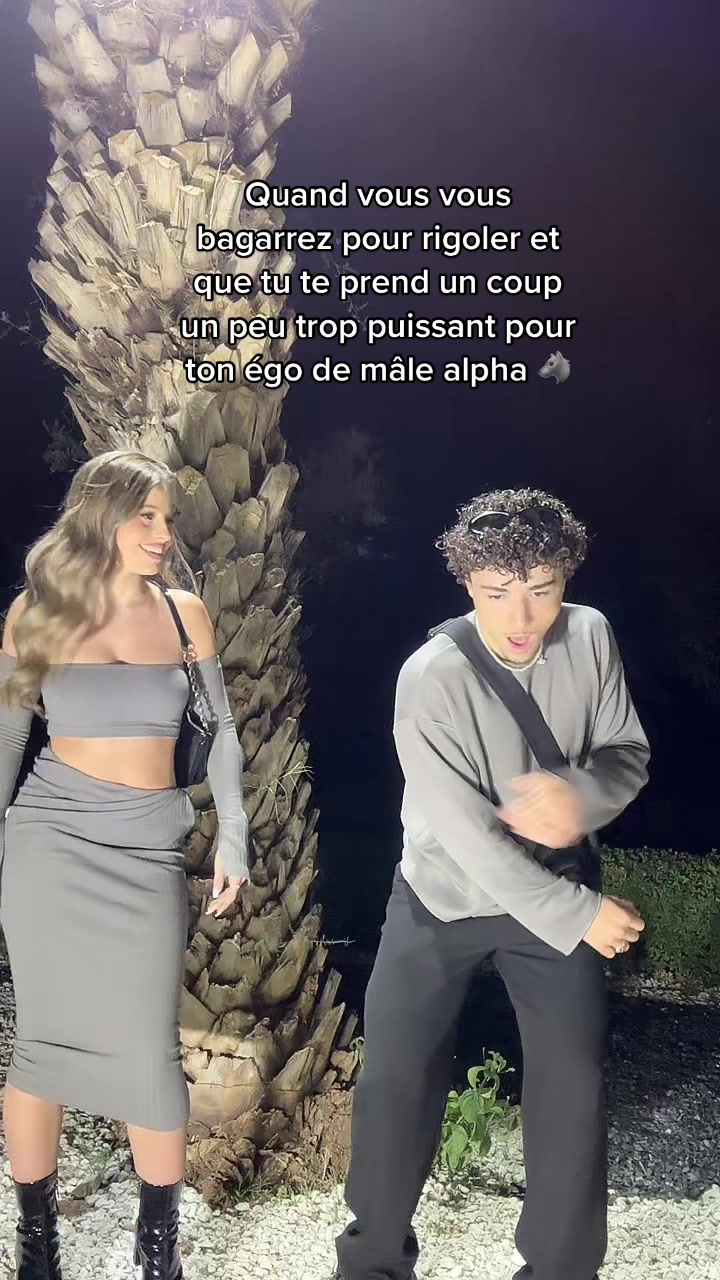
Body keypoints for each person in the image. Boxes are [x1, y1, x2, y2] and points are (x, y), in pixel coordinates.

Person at [335, 489, 650, 1280]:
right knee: (396, 1079)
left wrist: (579, 797)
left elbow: (625, 752)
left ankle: (562, 1270)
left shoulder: (590, 635)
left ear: (566, 578)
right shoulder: (429, 678)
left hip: (554, 884)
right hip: (442, 895)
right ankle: (371, 1266)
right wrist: (580, 915)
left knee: (573, 1090)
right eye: (497, 592)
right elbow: (466, 838)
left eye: (542, 590)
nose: (522, 615)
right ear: (467, 583)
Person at [0, 450, 250, 1280]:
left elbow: (223, 732)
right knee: (39, 1047)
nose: (162, 533)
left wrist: (235, 834)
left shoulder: (183, 614)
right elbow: (8, 737)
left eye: (167, 518)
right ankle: (38, 1250)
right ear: (100, 515)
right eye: (146, 516)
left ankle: (157, 1252)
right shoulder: (36, 613)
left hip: (146, 848)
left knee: (149, 1055)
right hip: (48, 844)